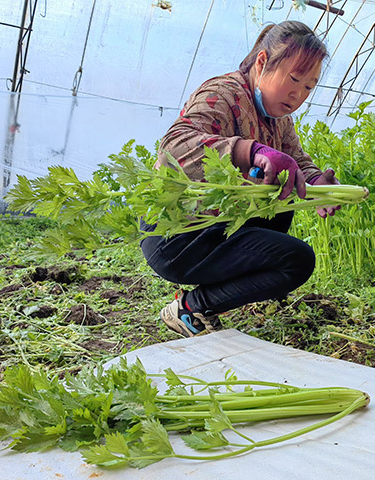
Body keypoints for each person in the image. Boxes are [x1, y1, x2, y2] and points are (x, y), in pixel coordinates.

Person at [140, 20, 341, 337]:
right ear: (262, 62)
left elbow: (296, 158)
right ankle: (191, 307)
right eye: (293, 79)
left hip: (215, 226)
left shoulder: (279, 117)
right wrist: (249, 151)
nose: (299, 93)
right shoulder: (222, 94)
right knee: (296, 260)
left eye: (308, 87)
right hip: (177, 232)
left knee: (281, 198)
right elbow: (174, 147)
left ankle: (228, 290)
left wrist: (316, 181)